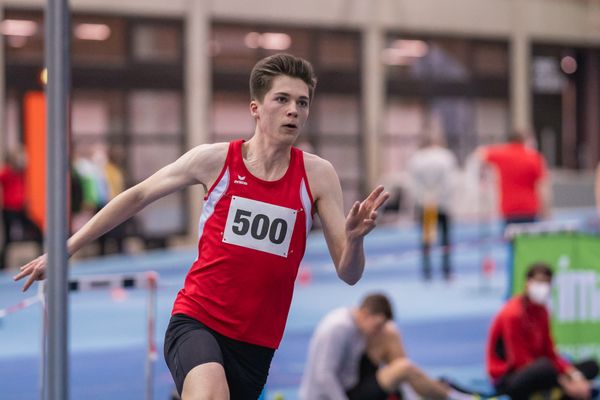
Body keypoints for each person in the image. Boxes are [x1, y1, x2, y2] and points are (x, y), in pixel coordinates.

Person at [14, 53, 389, 400]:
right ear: (256, 109)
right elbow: (139, 195)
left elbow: (349, 273)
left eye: (302, 103)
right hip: (198, 321)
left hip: (256, 346)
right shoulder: (215, 161)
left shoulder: (318, 176)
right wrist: (66, 249)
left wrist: (354, 241)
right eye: (282, 100)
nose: (293, 111)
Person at [299, 293, 476, 400]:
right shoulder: (338, 327)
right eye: (377, 325)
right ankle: (450, 396)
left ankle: (421, 393)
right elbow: (324, 376)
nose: (378, 331)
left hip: (352, 385)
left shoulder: (358, 324)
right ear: (365, 313)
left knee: (392, 334)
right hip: (335, 395)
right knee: (404, 367)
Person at [486, 263, 599, 399]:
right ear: (527, 283)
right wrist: (562, 378)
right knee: (546, 368)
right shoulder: (512, 314)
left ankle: (566, 389)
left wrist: (572, 374)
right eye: (539, 281)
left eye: (546, 282)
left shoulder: (542, 311)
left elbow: (550, 351)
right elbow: (519, 361)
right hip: (510, 377)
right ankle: (563, 390)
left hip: (540, 370)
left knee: (591, 366)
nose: (543, 287)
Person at [407, 133, 458, 280]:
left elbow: (413, 184)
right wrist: (441, 197)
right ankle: (446, 271)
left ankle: (427, 271)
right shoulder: (446, 157)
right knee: (445, 238)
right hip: (443, 203)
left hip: (425, 203)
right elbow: (450, 182)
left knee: (427, 238)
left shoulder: (416, 159)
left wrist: (423, 199)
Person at [476, 130, 550, 226]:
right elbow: (542, 186)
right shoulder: (534, 157)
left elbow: (479, 153)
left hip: (509, 208)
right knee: (528, 239)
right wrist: (546, 209)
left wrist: (485, 175)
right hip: (529, 207)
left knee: (512, 238)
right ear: (524, 141)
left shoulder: (502, 155)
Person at [0, 149, 43, 270]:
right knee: (8, 240)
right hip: (9, 210)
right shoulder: (6, 172)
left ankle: (40, 258)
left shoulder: (20, 173)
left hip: (20, 210)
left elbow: (21, 190)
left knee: (37, 231)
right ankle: (2, 266)